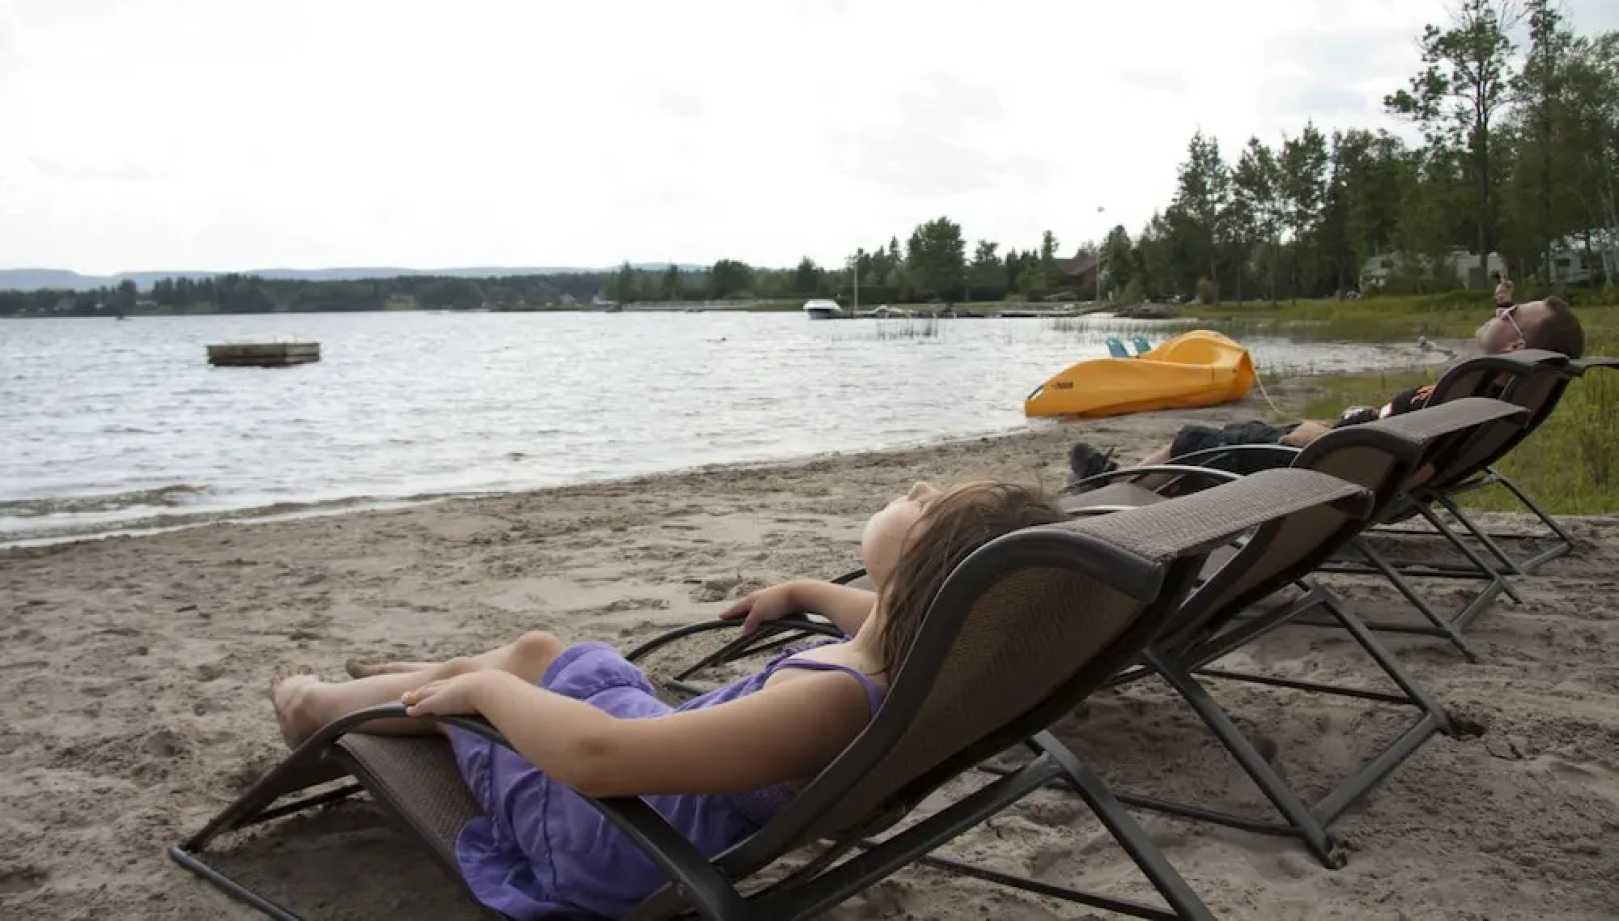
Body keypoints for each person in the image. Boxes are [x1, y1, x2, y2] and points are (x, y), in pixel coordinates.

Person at [268, 480, 1068, 920]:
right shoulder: (914, 660)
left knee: (499, 677)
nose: (917, 486)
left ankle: (321, 707)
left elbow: (595, 759)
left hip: (617, 835)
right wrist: (801, 591)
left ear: (924, 574)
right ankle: (417, 674)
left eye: (925, 505)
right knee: (542, 651)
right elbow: (881, 618)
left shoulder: (831, 703)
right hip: (661, 777)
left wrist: (484, 693)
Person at [1067, 297, 1586, 485]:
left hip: (1331, 467)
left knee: (1193, 442)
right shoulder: (1486, 389)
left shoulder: (1471, 388)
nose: (1499, 311)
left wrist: (1319, 437)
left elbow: (1411, 464)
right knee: (1229, 435)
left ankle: (1116, 489)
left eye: (1511, 313)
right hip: (1346, 455)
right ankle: (1122, 480)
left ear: (1517, 341)